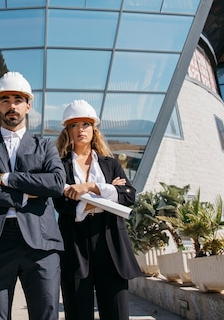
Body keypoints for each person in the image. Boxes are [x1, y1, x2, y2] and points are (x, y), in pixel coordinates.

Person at [0, 71, 66, 320]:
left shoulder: (45, 146)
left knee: (45, 314)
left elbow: (56, 183)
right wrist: (21, 196)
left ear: (28, 106)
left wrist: (5, 178)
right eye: (5, 100)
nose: (12, 106)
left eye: (18, 100)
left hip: (41, 242)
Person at [53, 100, 142, 320]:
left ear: (94, 129)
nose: (80, 129)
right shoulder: (59, 165)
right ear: (68, 131)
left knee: (117, 314)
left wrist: (88, 188)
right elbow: (60, 203)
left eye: (85, 124)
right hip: (74, 241)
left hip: (110, 238)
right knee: (78, 313)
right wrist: (109, 192)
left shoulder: (110, 163)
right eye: (74, 125)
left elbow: (129, 196)